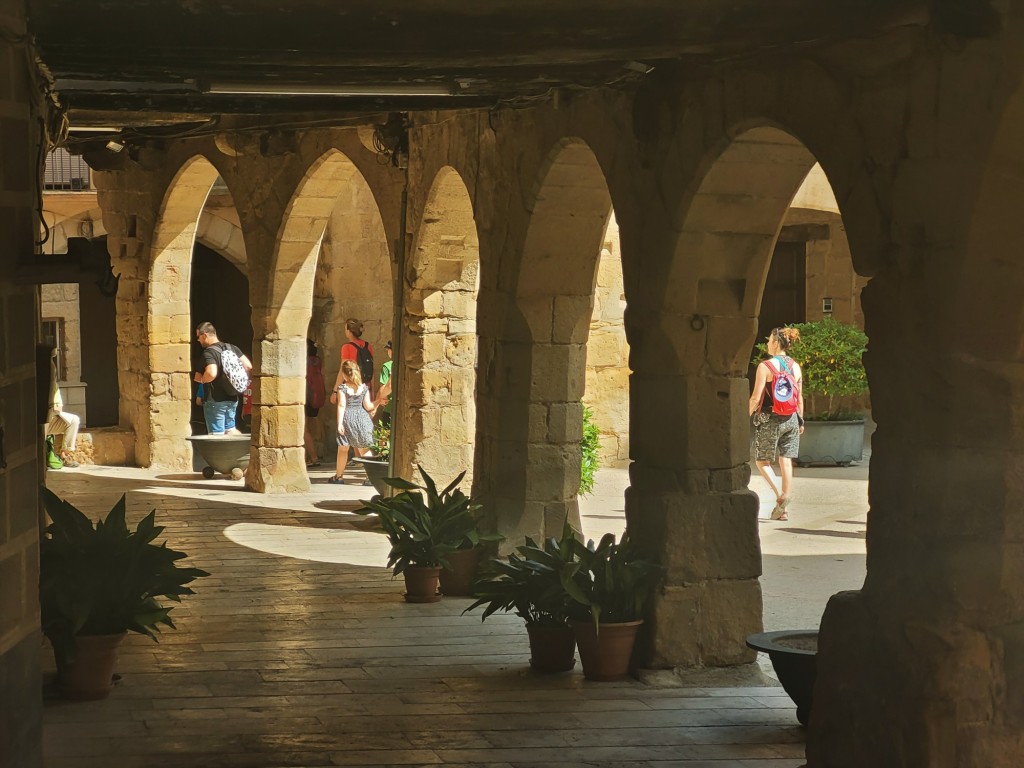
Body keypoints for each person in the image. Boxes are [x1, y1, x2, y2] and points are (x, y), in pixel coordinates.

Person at [748, 326, 804, 521]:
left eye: (769, 340)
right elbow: (799, 397)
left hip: (770, 418)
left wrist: (744, 415)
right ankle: (784, 508)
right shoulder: (795, 366)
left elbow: (756, 398)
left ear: (775, 343)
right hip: (792, 418)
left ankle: (780, 496)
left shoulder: (765, 366)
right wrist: (800, 420)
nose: (767, 343)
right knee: (786, 460)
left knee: (761, 461)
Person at [193, 322, 253, 436]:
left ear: (204, 335)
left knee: (216, 435)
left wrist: (202, 380)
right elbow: (248, 366)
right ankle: (240, 447)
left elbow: (211, 373)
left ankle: (219, 449)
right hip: (232, 398)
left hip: (215, 400)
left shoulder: (209, 352)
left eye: (198, 336)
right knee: (230, 429)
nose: (198, 340)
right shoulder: (232, 347)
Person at [329, 360, 375, 484]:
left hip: (347, 418)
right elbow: (368, 406)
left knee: (343, 449)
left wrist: (339, 423)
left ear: (344, 374)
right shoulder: (364, 388)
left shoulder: (342, 388)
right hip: (361, 419)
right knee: (364, 449)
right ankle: (371, 477)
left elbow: (341, 405)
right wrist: (379, 401)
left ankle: (339, 477)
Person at [46, 348, 81, 468]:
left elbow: (58, 407)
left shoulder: (54, 385)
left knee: (74, 420)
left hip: (51, 419)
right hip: (36, 421)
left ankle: (65, 454)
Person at [331, 318, 373, 406]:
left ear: (349, 331)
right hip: (366, 387)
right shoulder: (368, 346)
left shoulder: (347, 347)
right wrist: (372, 391)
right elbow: (372, 369)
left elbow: (343, 370)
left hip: (351, 389)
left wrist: (335, 391)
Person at [304, 338, 323, 467]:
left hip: (306, 397)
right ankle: (311, 456)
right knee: (310, 426)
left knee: (303, 429)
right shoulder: (318, 361)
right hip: (316, 396)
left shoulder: (303, 361)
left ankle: (313, 457)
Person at [373, 340, 393, 427]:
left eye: (388, 350)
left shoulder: (387, 366)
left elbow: (386, 386)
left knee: (387, 433)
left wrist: (379, 399)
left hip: (389, 407)